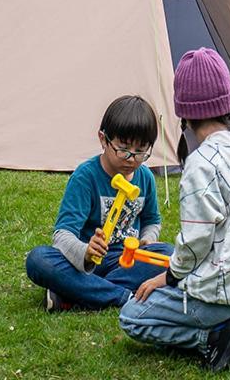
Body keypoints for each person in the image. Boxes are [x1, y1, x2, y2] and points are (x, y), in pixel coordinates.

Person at [119, 48, 230, 372]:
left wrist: (168, 278)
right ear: (228, 102)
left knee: (131, 316)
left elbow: (195, 241)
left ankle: (216, 337)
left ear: (184, 111)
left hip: (217, 296)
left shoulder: (201, 166)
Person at [25, 95, 173, 311]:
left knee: (170, 254)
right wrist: (85, 251)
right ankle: (124, 297)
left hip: (125, 263)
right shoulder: (85, 177)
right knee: (38, 259)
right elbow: (62, 235)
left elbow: (152, 220)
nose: (131, 158)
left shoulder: (145, 177)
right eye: (123, 148)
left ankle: (74, 295)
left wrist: (147, 241)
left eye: (141, 151)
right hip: (86, 266)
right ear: (103, 139)